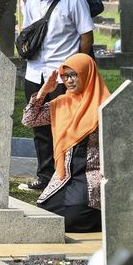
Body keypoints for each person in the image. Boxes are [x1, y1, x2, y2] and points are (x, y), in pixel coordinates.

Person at [19, 0, 94, 191]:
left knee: (64, 127)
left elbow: (86, 37)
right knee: (39, 128)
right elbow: (28, 33)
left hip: (62, 76)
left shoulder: (75, 1)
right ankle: (44, 176)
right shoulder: (31, 0)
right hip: (34, 74)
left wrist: (76, 70)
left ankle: (66, 176)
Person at [22, 53, 110, 232]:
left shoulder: (106, 105)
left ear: (87, 74)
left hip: (91, 175)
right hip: (65, 175)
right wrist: (43, 92)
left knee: (71, 220)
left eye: (74, 75)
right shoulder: (61, 103)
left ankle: (105, 218)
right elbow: (29, 120)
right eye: (66, 76)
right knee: (46, 214)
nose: (69, 80)